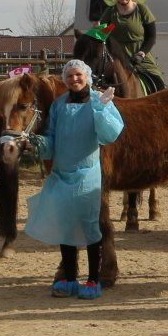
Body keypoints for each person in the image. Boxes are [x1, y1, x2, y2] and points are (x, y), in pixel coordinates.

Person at [24, 58, 125, 299]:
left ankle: (92, 279)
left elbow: (110, 134)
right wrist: (37, 144)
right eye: (69, 76)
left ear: (87, 76)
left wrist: (102, 109)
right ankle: (69, 278)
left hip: (87, 175)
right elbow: (51, 138)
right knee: (65, 226)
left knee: (90, 227)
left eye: (78, 75)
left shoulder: (99, 101)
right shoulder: (59, 105)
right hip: (62, 174)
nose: (74, 79)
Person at [103, 0, 164, 91]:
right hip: (117, 60)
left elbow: (151, 37)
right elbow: (100, 36)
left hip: (140, 58)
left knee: (159, 83)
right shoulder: (109, 13)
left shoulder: (142, 10)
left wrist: (141, 54)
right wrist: (95, 30)